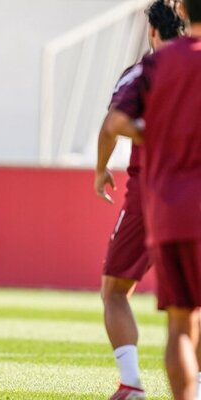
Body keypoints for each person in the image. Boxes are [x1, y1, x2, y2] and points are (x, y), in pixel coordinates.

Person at [96, 0, 201, 398]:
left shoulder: (155, 65)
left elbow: (115, 122)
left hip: (166, 199)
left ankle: (133, 384)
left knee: (177, 319)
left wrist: (161, 133)